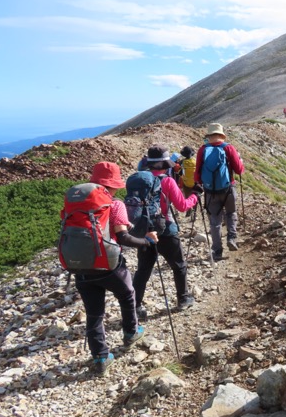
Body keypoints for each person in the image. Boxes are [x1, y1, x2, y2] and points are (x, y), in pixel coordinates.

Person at [74, 162, 157, 375]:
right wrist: (146, 242)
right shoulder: (114, 204)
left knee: (94, 313)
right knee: (128, 294)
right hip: (110, 265)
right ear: (114, 185)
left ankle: (100, 357)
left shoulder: (77, 204)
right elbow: (123, 237)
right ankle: (131, 332)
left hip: (81, 266)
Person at [132, 145, 202, 319]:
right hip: (166, 229)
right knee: (178, 265)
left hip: (145, 231)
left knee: (143, 270)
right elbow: (182, 206)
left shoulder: (139, 180)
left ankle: (135, 306)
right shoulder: (167, 181)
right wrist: (195, 195)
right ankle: (183, 299)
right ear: (164, 163)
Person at [194, 123, 244, 262]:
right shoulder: (228, 148)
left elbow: (197, 172)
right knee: (231, 213)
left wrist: (200, 184)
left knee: (214, 221)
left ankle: (217, 250)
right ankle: (232, 238)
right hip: (228, 189)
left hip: (210, 191)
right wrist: (240, 161)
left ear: (209, 136)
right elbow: (239, 170)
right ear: (221, 135)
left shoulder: (203, 150)